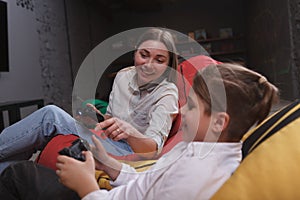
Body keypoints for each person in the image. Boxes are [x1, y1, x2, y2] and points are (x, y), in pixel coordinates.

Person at [0, 63, 279, 199]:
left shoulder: (198, 175)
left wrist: (88, 186)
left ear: (219, 123)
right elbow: (150, 181)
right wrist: (110, 165)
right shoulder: (197, 148)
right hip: (110, 186)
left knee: (18, 173)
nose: (182, 113)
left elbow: (153, 154)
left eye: (192, 107)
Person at [0, 28, 179, 173]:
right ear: (135, 52)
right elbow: (110, 118)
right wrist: (96, 119)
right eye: (144, 55)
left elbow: (153, 149)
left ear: (168, 66)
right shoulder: (123, 76)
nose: (148, 64)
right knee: (34, 136)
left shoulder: (167, 94)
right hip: (109, 140)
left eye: (159, 60)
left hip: (130, 153)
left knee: (51, 116)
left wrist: (130, 132)